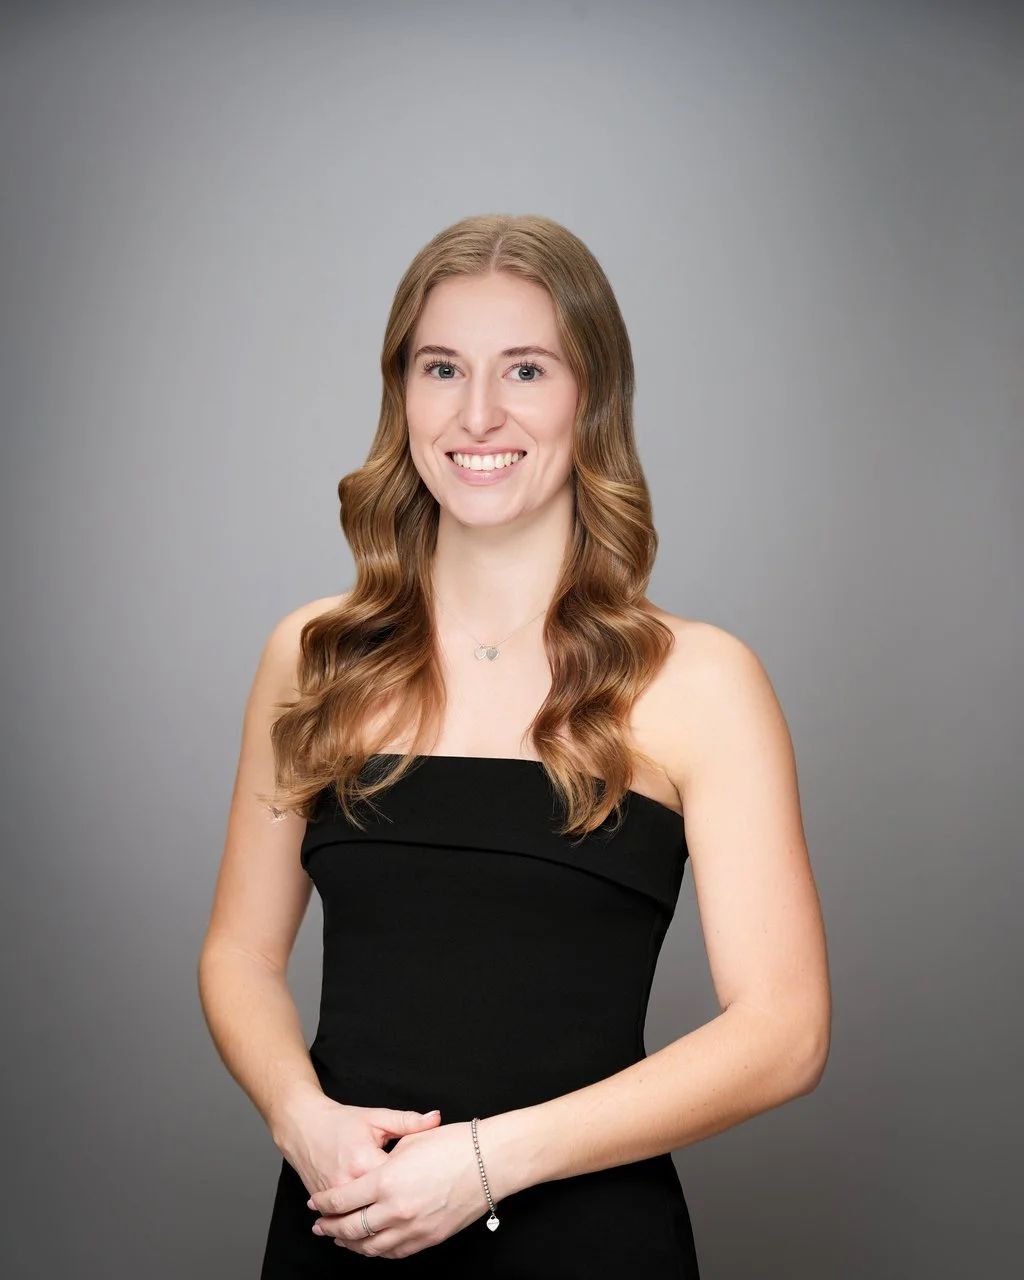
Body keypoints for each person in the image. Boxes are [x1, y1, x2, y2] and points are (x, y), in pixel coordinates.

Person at [198, 212, 831, 1276]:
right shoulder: (313, 655)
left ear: (593, 397)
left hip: (588, 1245)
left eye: (526, 369)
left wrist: (489, 1161)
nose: (477, 411)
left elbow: (783, 1027)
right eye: (442, 367)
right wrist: (299, 1115)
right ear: (402, 393)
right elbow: (240, 953)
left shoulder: (700, 680)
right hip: (341, 1223)